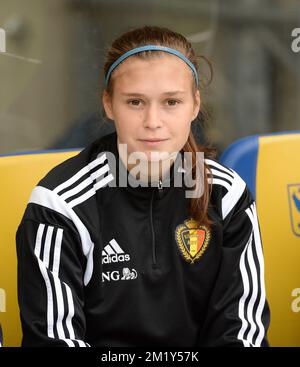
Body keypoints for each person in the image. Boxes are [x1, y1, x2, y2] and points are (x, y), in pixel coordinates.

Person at [16, 25, 270, 347]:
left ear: (194, 105)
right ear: (109, 104)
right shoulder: (59, 206)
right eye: (135, 102)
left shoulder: (228, 195)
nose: (152, 121)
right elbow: (52, 340)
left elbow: (242, 334)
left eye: (171, 102)